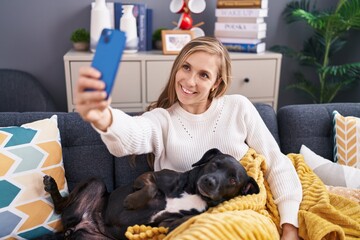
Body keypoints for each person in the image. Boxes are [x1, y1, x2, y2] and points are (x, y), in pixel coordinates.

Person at [75, 36, 302, 239]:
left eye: (204, 75)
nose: (190, 81)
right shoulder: (163, 119)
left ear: (217, 84)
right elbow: (133, 134)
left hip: (239, 216)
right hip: (185, 225)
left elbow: (275, 162)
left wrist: (290, 226)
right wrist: (105, 118)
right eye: (186, 67)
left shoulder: (238, 108)